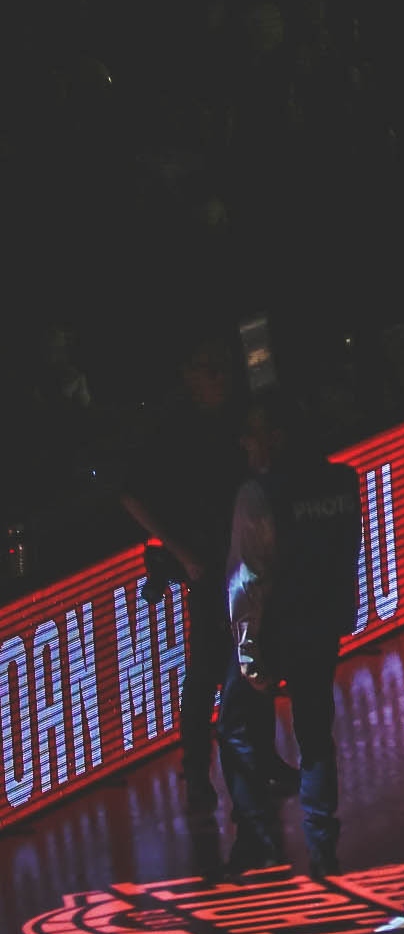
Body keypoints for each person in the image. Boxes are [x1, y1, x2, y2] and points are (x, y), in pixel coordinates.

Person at [115, 336, 282, 873]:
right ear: (190, 374)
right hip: (209, 568)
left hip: (244, 560)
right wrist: (181, 552)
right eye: (210, 370)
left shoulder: (235, 414)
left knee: (251, 660)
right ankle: (196, 772)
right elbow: (130, 492)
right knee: (210, 667)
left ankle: (260, 761)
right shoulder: (170, 430)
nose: (222, 378)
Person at [217, 397, 363, 878]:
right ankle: (323, 847)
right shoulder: (343, 482)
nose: (244, 442)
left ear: (276, 436)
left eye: (253, 432)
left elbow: (248, 579)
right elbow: (348, 553)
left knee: (235, 726)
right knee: (316, 735)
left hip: (275, 632)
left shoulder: (259, 494)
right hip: (322, 628)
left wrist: (248, 652)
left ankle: (255, 839)